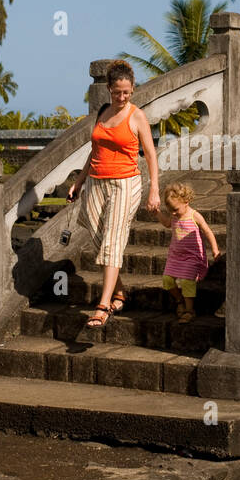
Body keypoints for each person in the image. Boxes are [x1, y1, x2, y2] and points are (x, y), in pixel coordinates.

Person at [65, 60, 161, 329]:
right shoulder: (104, 112)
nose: (122, 97)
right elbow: (95, 151)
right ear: (109, 89)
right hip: (96, 181)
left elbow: (150, 154)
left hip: (125, 184)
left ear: (132, 90)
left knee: (112, 240)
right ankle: (119, 291)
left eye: (127, 92)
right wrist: (79, 181)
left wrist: (154, 189)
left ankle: (103, 305)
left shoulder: (136, 116)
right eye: (117, 92)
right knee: (97, 235)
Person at [156, 182, 220, 323]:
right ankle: (179, 301)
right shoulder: (174, 216)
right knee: (167, 280)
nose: (173, 213)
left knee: (187, 281)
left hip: (192, 257)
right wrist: (157, 213)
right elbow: (167, 223)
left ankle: (190, 310)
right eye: (170, 210)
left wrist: (214, 249)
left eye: (175, 209)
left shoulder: (194, 216)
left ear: (186, 202)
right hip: (176, 256)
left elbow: (207, 231)